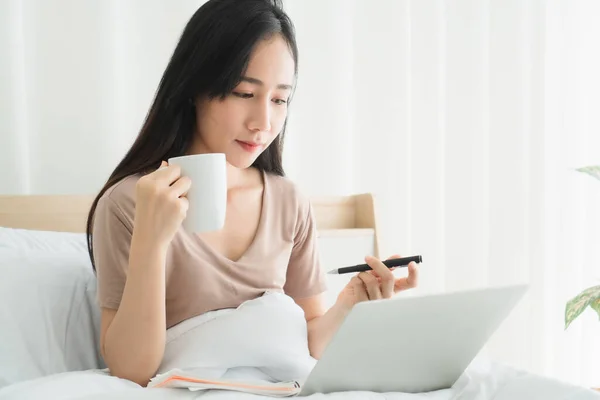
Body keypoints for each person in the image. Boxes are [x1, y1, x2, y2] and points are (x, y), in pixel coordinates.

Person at [85, 0, 419, 387]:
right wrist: (150, 240)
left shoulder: (289, 201)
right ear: (195, 87)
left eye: (280, 99)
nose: (264, 123)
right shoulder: (128, 204)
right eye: (245, 93)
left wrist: (351, 302)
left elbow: (306, 345)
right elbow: (130, 371)